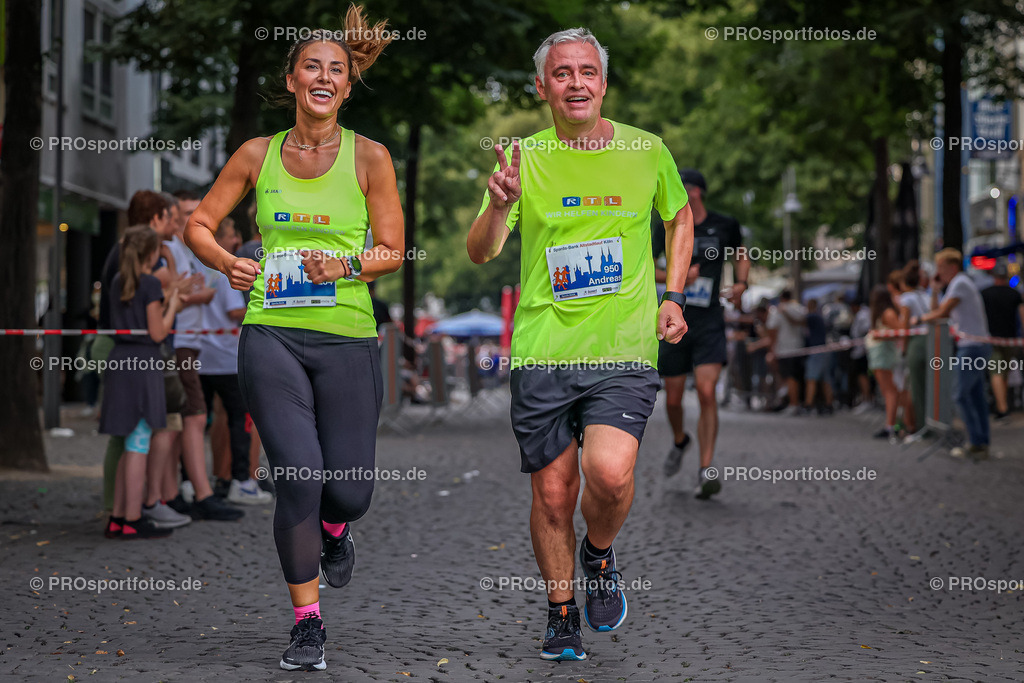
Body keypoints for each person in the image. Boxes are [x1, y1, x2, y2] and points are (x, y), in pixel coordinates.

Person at [183, 8, 403, 672]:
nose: (324, 76)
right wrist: (226, 263)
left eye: (337, 69)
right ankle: (308, 622)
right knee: (300, 480)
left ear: (346, 85)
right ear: (291, 79)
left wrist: (348, 264)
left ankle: (337, 534)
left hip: (347, 338)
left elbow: (393, 250)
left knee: (350, 492)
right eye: (313, 65)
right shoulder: (258, 154)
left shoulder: (371, 157)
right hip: (271, 333)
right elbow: (199, 223)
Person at [467, 28, 693, 662]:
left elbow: (678, 216)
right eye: (561, 73)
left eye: (586, 71)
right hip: (543, 349)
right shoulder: (522, 160)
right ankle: (561, 611)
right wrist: (495, 206)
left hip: (622, 348)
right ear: (542, 88)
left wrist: (672, 295)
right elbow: (481, 252)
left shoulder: (647, 151)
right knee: (553, 493)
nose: (575, 82)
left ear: (602, 82)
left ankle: (599, 553)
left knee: (610, 474)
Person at [654, 169, 749, 498]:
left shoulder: (725, 224)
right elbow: (645, 264)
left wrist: (741, 283)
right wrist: (674, 275)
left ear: (699, 191)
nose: (683, 193)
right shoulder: (662, 223)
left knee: (707, 393)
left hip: (709, 319)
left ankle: (706, 469)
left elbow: (740, 253)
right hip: (672, 317)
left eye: (688, 188)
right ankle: (680, 439)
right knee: (675, 398)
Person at [99, 226, 182, 539]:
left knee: (128, 441)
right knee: (138, 442)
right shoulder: (148, 284)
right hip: (143, 362)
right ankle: (132, 517)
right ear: (152, 253)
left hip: (121, 360)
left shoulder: (120, 280)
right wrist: (172, 303)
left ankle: (118, 517)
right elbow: (158, 333)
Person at [198, 219, 272, 505]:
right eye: (231, 236)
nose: (236, 243)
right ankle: (242, 479)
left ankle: (214, 477)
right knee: (242, 420)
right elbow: (235, 312)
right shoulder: (227, 267)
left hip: (202, 354)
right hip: (227, 357)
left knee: (207, 420)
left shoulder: (199, 266)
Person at [917, 249, 992, 459]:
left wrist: (919, 320)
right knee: (976, 396)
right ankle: (981, 442)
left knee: (960, 395)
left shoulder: (959, 283)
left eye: (940, 267)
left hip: (972, 347)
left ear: (952, 266)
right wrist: (934, 290)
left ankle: (976, 442)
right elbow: (939, 311)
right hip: (975, 345)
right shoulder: (958, 284)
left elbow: (940, 313)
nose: (938, 271)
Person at [980, 263, 1023, 420]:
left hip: (991, 338)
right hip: (1010, 339)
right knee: (1003, 372)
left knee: (997, 372)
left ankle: (1002, 408)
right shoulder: (1014, 294)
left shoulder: (985, 293)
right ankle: (1002, 405)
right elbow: (1021, 315)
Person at [897, 261, 929, 437]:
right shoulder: (925, 295)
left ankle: (918, 426)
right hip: (932, 342)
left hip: (916, 343)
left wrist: (903, 348)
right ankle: (928, 423)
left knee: (915, 388)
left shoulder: (907, 298)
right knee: (929, 386)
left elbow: (904, 327)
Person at [866, 285, 901, 441]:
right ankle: (892, 423)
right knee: (888, 391)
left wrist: (880, 335)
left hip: (884, 354)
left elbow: (900, 331)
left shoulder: (887, 313)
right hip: (879, 354)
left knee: (889, 391)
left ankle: (891, 425)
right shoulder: (883, 313)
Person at [766, 289, 806, 414]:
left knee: (788, 378)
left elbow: (772, 331)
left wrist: (772, 350)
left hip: (784, 349)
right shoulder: (799, 308)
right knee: (795, 377)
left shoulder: (777, 311)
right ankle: (793, 402)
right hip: (798, 348)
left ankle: (793, 403)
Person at [801, 299, 834, 415]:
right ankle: (829, 404)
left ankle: (808, 405)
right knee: (826, 379)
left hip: (816, 351)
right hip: (823, 350)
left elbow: (798, 321)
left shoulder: (812, 316)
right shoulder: (820, 317)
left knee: (811, 378)